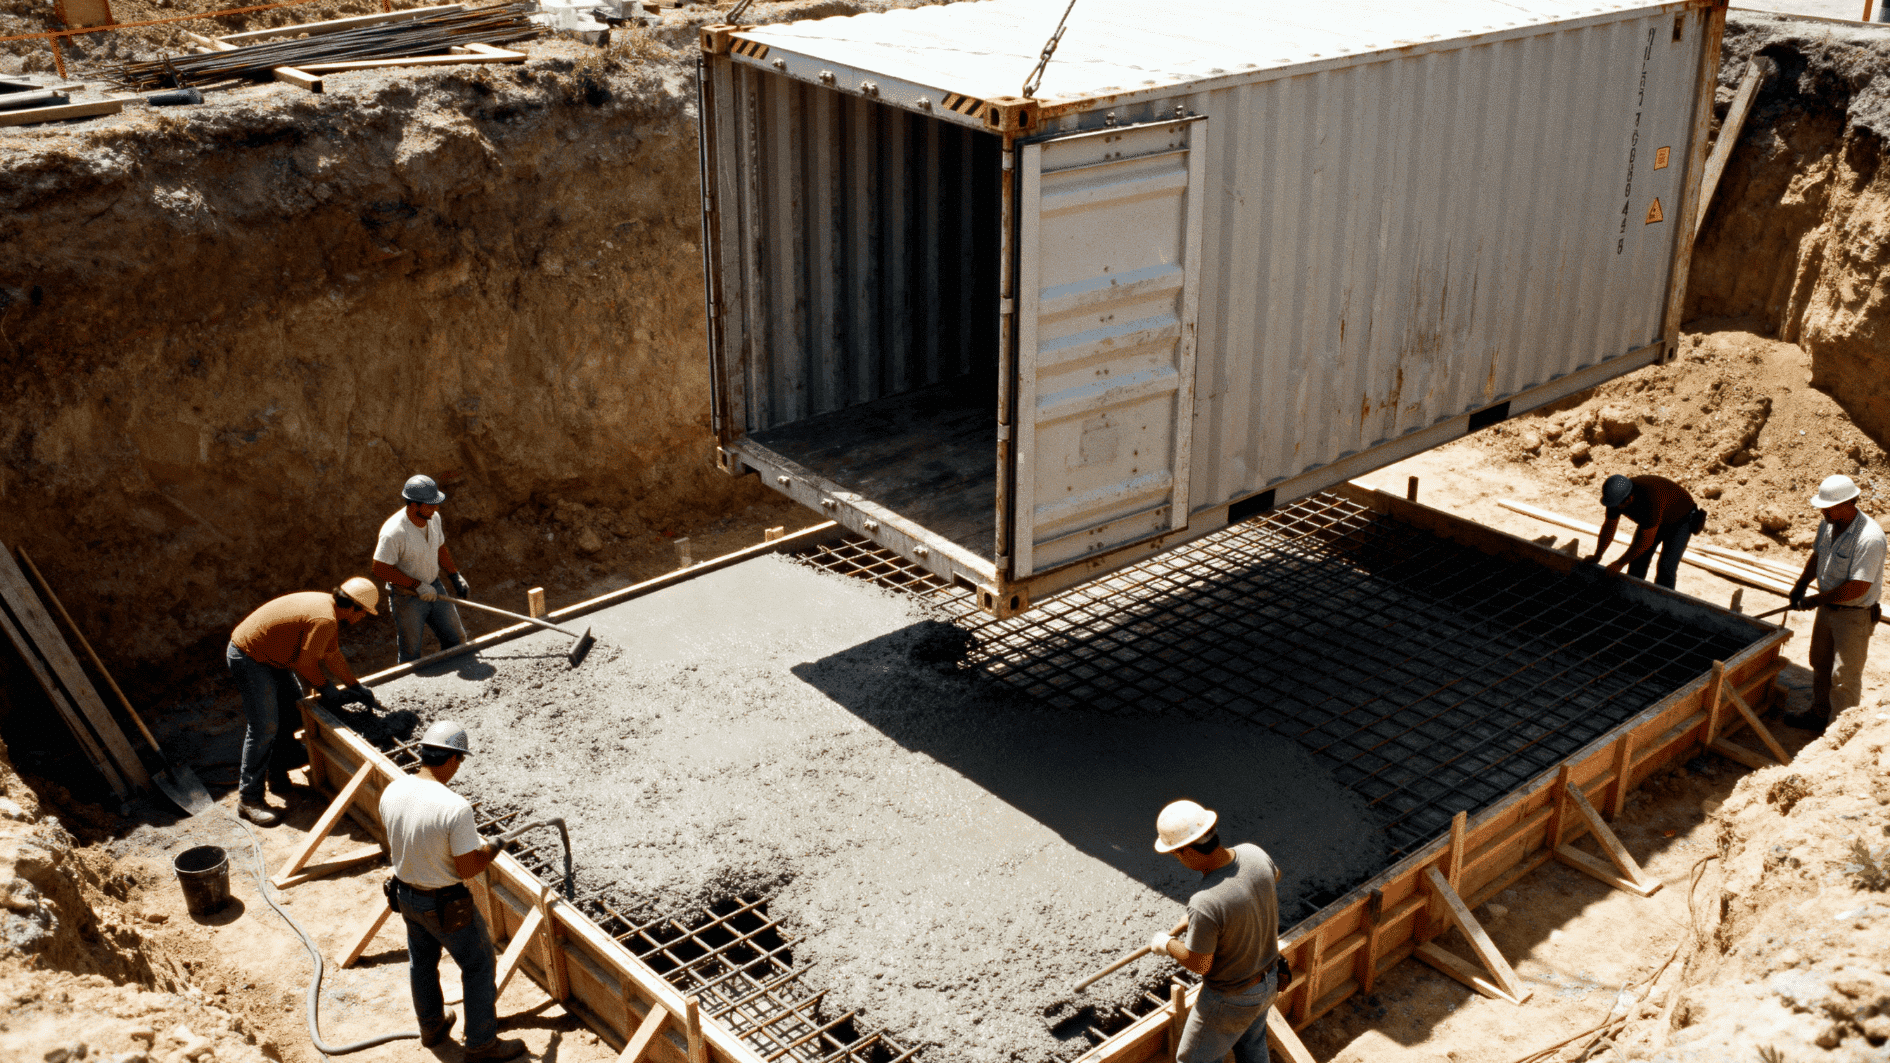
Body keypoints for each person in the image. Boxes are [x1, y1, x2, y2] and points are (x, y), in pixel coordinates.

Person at [379, 721, 527, 1062]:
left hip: (406, 895)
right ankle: (481, 1044)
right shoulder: (454, 807)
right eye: (459, 762)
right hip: (445, 904)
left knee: (422, 962)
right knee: (477, 964)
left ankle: (431, 1028)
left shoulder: (393, 789)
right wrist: (491, 851)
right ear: (452, 759)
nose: (458, 769)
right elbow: (467, 868)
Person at [227, 579, 383, 826]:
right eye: (365, 612)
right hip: (250, 656)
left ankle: (277, 776)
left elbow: (332, 655)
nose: (364, 617)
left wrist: (354, 685)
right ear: (354, 608)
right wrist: (327, 688)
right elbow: (306, 664)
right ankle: (249, 799)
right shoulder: (325, 619)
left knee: (291, 712)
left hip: (273, 657)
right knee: (264, 727)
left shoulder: (328, 612)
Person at [1146, 800, 1283, 1063]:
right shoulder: (1253, 853)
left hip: (1231, 997)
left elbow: (1200, 964)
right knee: (1251, 1046)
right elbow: (1271, 877)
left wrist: (1167, 944)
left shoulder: (1204, 901)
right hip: (1270, 979)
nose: (1177, 859)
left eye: (1176, 854)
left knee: (1193, 1060)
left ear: (1187, 851)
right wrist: (1207, 919)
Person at [1785, 474, 1885, 732]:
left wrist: (1816, 599)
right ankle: (1819, 716)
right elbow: (1818, 556)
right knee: (1821, 665)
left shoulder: (1869, 538)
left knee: (1844, 679)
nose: (1824, 512)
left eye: (1829, 507)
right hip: (1827, 610)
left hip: (1853, 616)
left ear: (1850, 502)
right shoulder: (1828, 525)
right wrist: (1800, 586)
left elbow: (1858, 587)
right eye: (1823, 507)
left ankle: (1837, 735)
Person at [373, 474, 471, 663]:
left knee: (456, 640)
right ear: (413, 505)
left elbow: (440, 548)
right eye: (430, 504)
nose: (436, 508)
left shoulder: (433, 518)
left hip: (434, 585)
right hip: (407, 597)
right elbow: (380, 568)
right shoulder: (394, 532)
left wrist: (454, 575)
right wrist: (416, 585)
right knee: (411, 653)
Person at [1588, 473, 1701, 590]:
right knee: (1637, 562)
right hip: (1656, 517)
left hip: (1680, 521)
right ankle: (1631, 595)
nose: (1615, 508)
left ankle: (1662, 605)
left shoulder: (1649, 499)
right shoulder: (1615, 498)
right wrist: (1598, 555)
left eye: (1618, 505)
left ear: (1629, 499)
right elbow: (1609, 528)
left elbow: (1646, 541)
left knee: (1666, 567)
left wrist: (1619, 563)